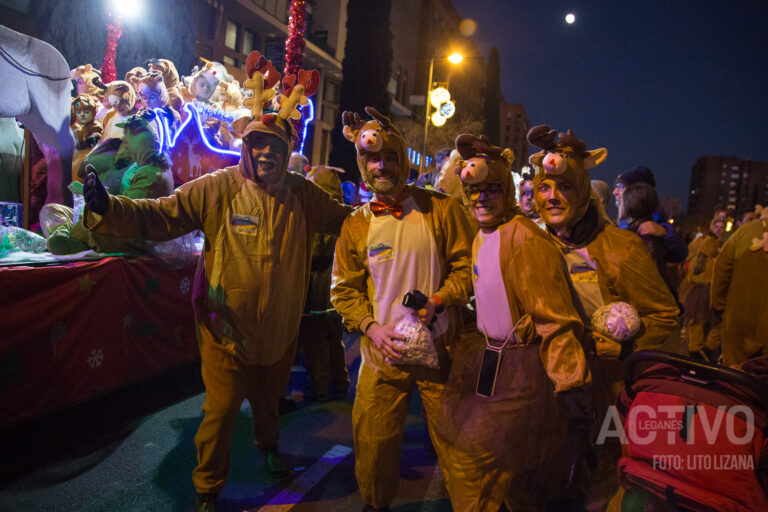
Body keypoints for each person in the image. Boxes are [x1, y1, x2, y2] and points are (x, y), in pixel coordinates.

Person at [82, 56, 351, 512]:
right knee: (222, 411)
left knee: (269, 402)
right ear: (246, 146)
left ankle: (269, 447)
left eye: (274, 145)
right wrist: (110, 207)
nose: (265, 153)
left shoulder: (304, 195)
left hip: (280, 330)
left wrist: (400, 211)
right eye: (257, 144)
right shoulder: (219, 187)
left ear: (288, 150)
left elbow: (353, 225)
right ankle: (208, 489)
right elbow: (161, 214)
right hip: (223, 328)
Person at [437, 134, 592, 512]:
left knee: (476, 464)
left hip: (523, 374)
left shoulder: (525, 239)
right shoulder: (482, 236)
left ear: (506, 190)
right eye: (473, 190)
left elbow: (555, 319)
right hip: (492, 362)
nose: (481, 198)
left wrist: (571, 385)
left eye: (491, 189)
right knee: (504, 472)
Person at [528, 126, 680, 511]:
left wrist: (628, 346)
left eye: (565, 188)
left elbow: (665, 316)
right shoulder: (533, 242)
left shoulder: (621, 247)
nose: (553, 198)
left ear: (583, 192)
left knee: (599, 491)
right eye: (545, 189)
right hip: (544, 392)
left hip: (606, 395)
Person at [331, 107, 473, 512]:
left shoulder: (441, 209)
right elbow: (344, 289)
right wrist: (370, 328)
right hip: (382, 353)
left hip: (441, 351)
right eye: (373, 158)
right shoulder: (356, 224)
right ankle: (376, 506)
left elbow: (466, 268)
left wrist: (440, 301)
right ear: (362, 163)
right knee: (373, 446)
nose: (381, 166)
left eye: (390, 157)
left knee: (458, 446)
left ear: (403, 160)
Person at [300, 165, 351, 401]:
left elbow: (312, 253)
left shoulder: (317, 217)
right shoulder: (342, 214)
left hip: (315, 293)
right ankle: (341, 383)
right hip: (335, 291)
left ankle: (319, 390)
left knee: (316, 344)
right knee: (334, 341)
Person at [711, 216, 768, 365]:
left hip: (737, 321)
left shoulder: (746, 231)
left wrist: (719, 307)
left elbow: (721, 270)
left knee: (734, 377)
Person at [680, 210, 727, 361]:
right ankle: (700, 351)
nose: (719, 229)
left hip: (706, 287)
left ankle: (698, 350)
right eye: (717, 226)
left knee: (702, 321)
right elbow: (694, 262)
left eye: (722, 227)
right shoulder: (709, 243)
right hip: (703, 288)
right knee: (703, 321)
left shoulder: (717, 245)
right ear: (711, 227)